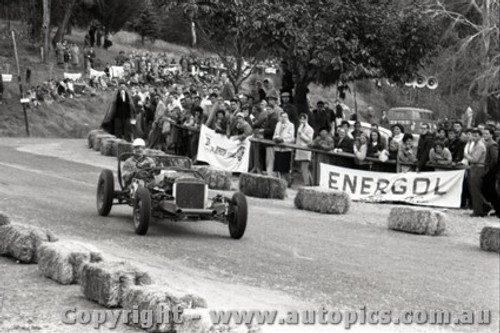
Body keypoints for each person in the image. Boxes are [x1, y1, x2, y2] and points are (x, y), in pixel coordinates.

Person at [464, 129, 487, 217]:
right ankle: (484, 206)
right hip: (474, 167)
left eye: (476, 136)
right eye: (473, 136)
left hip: (478, 168)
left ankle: (478, 211)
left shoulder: (480, 146)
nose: (474, 138)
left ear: (480, 136)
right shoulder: (476, 145)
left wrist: (467, 156)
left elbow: (475, 159)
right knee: (473, 189)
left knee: (475, 190)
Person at [482, 128, 500, 216]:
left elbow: (495, 159)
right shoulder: (486, 144)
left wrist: (490, 170)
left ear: (491, 135)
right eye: (483, 134)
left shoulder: (492, 145)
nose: (484, 135)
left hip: (490, 171)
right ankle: (496, 208)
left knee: (490, 190)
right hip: (487, 169)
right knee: (488, 190)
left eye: (486, 134)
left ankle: (497, 208)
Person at [273, 112, 295, 182]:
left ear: (287, 117)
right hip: (278, 148)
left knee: (285, 168)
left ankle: (288, 180)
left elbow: (291, 137)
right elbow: (275, 134)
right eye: (282, 116)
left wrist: (283, 139)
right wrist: (276, 138)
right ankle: (279, 181)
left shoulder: (291, 125)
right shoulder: (278, 124)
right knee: (277, 167)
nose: (283, 118)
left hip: (286, 149)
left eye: (285, 117)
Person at [295, 113, 314, 186]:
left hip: (305, 151)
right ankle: (309, 183)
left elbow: (309, 140)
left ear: (307, 119)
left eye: (304, 119)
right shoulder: (299, 127)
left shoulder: (310, 129)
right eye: (301, 119)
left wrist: (301, 134)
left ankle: (308, 184)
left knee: (304, 168)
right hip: (299, 151)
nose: (302, 120)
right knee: (302, 169)